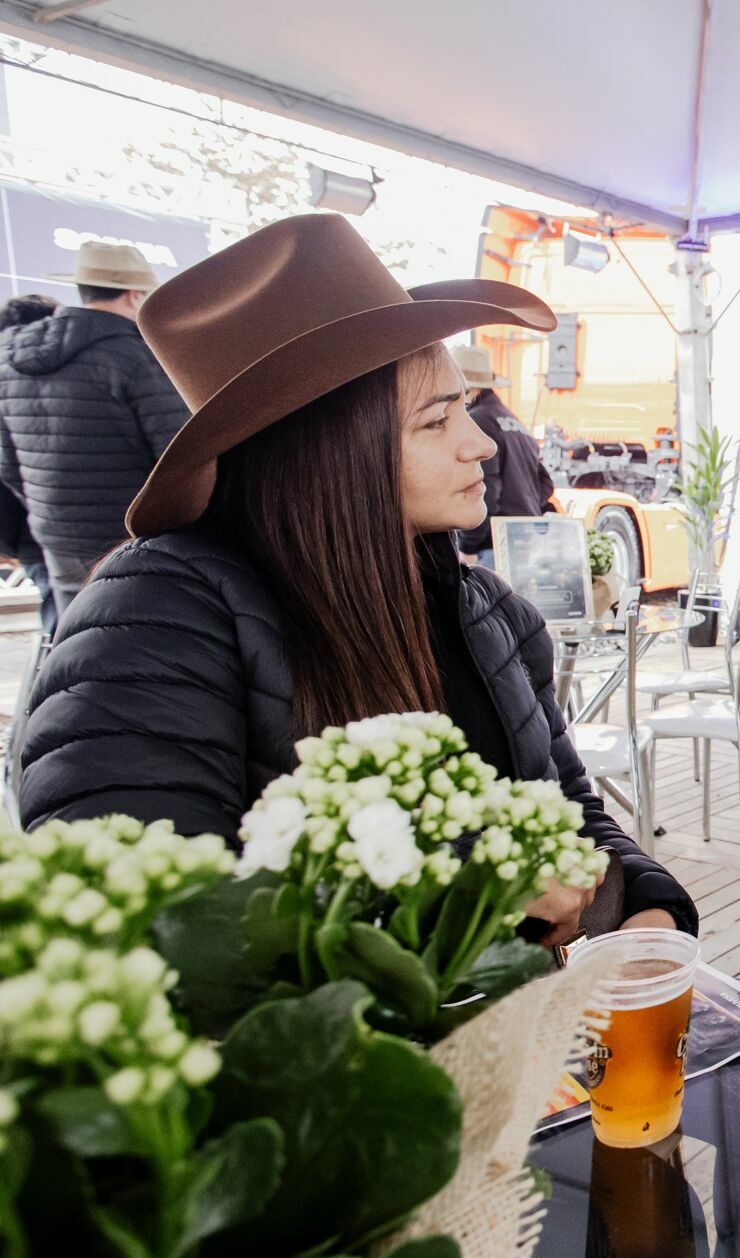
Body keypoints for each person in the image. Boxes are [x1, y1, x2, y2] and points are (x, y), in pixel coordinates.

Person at [17, 214, 695, 945]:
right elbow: (148, 918)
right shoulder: (156, 621)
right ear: (325, 449)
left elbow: (567, 811)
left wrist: (645, 905)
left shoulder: (487, 613)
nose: (481, 444)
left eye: (465, 408)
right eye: (436, 422)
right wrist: (467, 890)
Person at [0, 242, 189, 620]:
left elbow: (7, 465)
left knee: (76, 639)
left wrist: (50, 510)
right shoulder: (136, 356)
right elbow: (179, 455)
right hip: (134, 539)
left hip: (57, 537)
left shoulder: (12, 361)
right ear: (136, 295)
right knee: (143, 647)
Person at [451, 344, 554, 569]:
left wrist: (468, 547)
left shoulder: (479, 421)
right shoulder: (511, 419)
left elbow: (482, 487)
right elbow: (544, 485)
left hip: (494, 547)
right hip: (526, 537)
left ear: (465, 386)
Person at [0, 294, 59, 634]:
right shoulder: (90, 364)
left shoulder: (6, 379)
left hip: (36, 533)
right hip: (102, 532)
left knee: (58, 622)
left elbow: (8, 470)